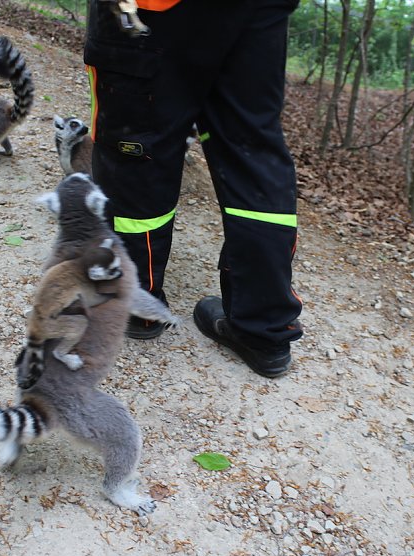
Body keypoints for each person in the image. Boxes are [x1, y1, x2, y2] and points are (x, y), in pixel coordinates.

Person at [84, 0, 303, 378]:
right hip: (259, 9)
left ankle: (138, 306)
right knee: (252, 155)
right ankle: (264, 328)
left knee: (135, 151)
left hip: (151, 10)